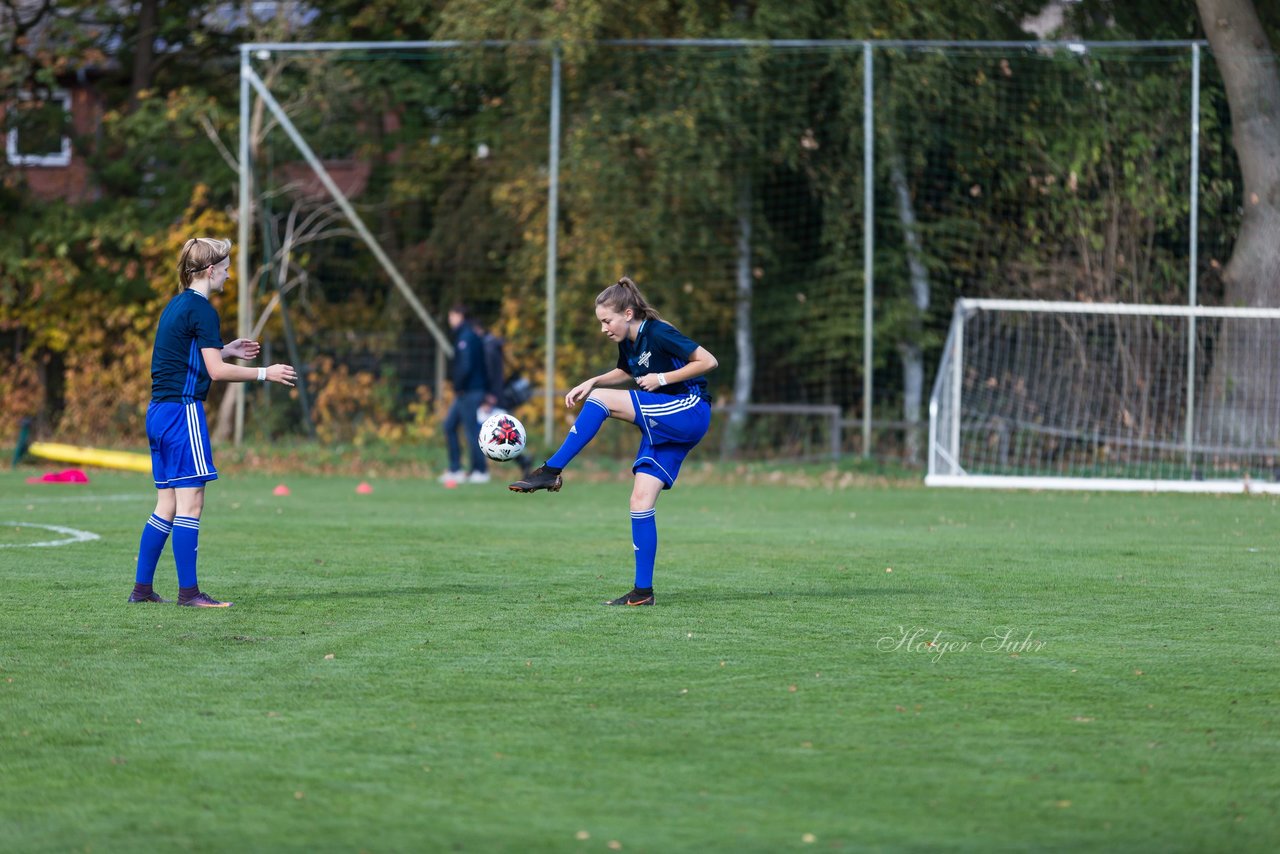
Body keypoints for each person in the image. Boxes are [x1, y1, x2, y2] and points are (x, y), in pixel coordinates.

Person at [509, 276, 718, 606]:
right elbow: (626, 372)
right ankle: (642, 593)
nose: (604, 328)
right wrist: (592, 380)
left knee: (602, 401)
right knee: (640, 501)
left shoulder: (658, 331)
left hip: (689, 409)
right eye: (601, 322)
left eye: (607, 320)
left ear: (629, 314)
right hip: (668, 418)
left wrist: (661, 378)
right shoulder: (629, 342)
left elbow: (708, 361)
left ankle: (551, 469)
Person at [128, 238, 297, 607]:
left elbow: (190, 357)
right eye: (225, 268)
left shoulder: (177, 305)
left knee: (167, 506)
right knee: (192, 505)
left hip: (158, 412)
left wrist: (226, 348)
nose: (228, 274)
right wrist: (265, 373)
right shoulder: (203, 310)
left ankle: (141, 590)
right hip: (182, 413)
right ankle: (189, 594)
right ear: (209, 271)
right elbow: (215, 372)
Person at [440, 304, 492, 485]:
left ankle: (480, 470)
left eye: (451, 316)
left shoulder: (466, 337)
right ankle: (456, 469)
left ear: (459, 315)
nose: (450, 320)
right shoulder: (469, 334)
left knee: (472, 431)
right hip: (469, 390)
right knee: (449, 425)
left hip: (469, 390)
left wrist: (458, 385)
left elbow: (466, 365)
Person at [477, 323, 534, 478]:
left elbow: (492, 375)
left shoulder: (488, 348)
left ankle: (480, 470)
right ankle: (524, 460)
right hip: (498, 396)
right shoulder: (493, 346)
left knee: (490, 432)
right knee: (500, 434)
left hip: (495, 398)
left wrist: (490, 396)